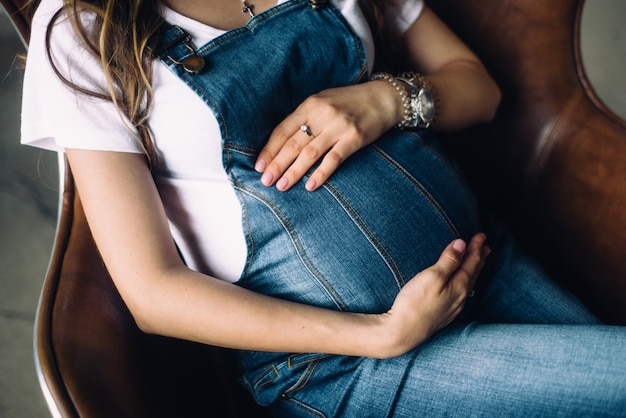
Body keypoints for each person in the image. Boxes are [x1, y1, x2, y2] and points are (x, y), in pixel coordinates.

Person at [21, 0, 626, 416]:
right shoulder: (83, 27)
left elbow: (479, 89)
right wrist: (382, 335)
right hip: (347, 363)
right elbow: (152, 292)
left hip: (485, 262)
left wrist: (384, 100)